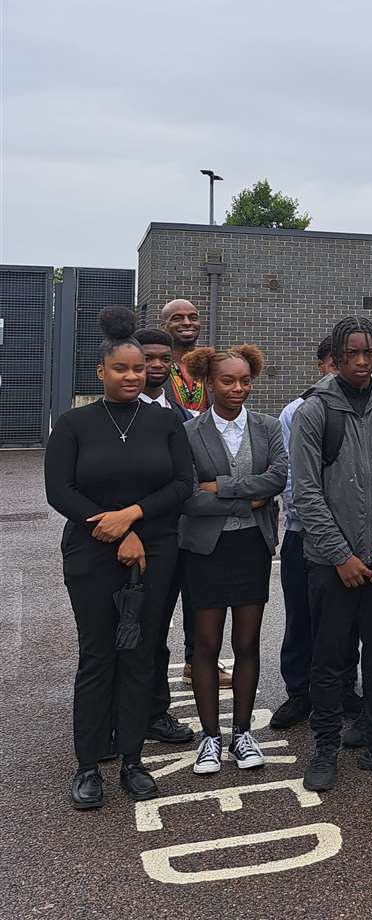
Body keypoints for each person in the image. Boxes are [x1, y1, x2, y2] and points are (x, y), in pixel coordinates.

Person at [44, 306, 194, 809]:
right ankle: (88, 765)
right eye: (121, 369)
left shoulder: (164, 423)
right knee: (98, 654)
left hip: (154, 551)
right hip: (91, 549)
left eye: (139, 369)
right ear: (100, 372)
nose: (132, 376)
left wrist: (131, 516)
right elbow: (59, 491)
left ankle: (133, 759)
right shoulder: (73, 424)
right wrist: (114, 529)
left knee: (140, 653)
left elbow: (181, 485)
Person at [291, 317, 372, 791]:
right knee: (329, 658)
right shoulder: (314, 412)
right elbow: (305, 492)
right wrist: (340, 555)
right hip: (333, 564)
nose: (362, 362)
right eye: (352, 354)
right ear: (338, 356)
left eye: (369, 353)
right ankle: (325, 747)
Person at [177, 345, 288, 774]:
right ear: (208, 382)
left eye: (245, 380)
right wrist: (247, 497)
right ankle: (209, 737)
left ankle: (242, 733)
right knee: (205, 646)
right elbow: (187, 496)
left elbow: (279, 476)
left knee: (246, 643)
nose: (238, 388)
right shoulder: (188, 432)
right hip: (205, 550)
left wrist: (218, 488)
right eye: (228, 381)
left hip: (251, 548)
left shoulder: (268, 426)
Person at [270, 337, 361, 731]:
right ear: (323, 365)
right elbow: (292, 477)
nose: (342, 368)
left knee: (346, 621)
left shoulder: (368, 407)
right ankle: (299, 693)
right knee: (301, 616)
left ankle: (344, 689)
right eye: (334, 361)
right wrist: (317, 519)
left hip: (350, 537)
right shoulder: (298, 411)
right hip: (302, 533)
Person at [134, 325, 202, 745]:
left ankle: (156, 713)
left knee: (159, 631)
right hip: (128, 542)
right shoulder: (113, 412)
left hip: (179, 540)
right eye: (148, 359)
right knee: (131, 632)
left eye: (163, 358)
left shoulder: (183, 415)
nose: (156, 365)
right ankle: (120, 714)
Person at [159, 299, 207, 414]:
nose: (187, 323)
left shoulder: (210, 365)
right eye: (177, 318)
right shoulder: (155, 367)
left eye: (193, 318)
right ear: (163, 327)